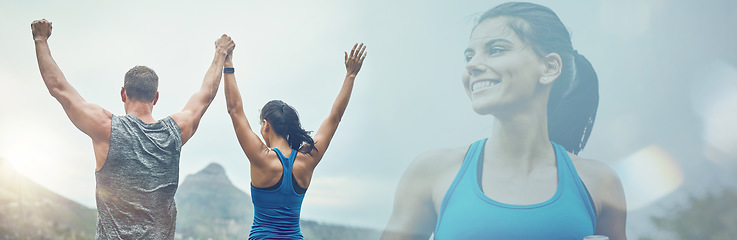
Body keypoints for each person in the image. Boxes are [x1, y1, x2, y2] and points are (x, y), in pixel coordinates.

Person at [382, 2, 626, 240]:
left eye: (496, 50)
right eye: (469, 55)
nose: (472, 65)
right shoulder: (431, 172)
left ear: (549, 68)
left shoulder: (600, 183)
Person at [31, 19, 235, 239]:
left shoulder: (106, 128)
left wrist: (40, 39)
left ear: (123, 94)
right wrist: (220, 53)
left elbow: (59, 88)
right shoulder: (174, 132)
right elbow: (205, 96)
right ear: (156, 98)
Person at [223, 43, 366, 239]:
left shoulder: (261, 157)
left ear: (266, 125)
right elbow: (335, 118)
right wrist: (350, 75)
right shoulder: (307, 160)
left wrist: (227, 62)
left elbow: (234, 110)